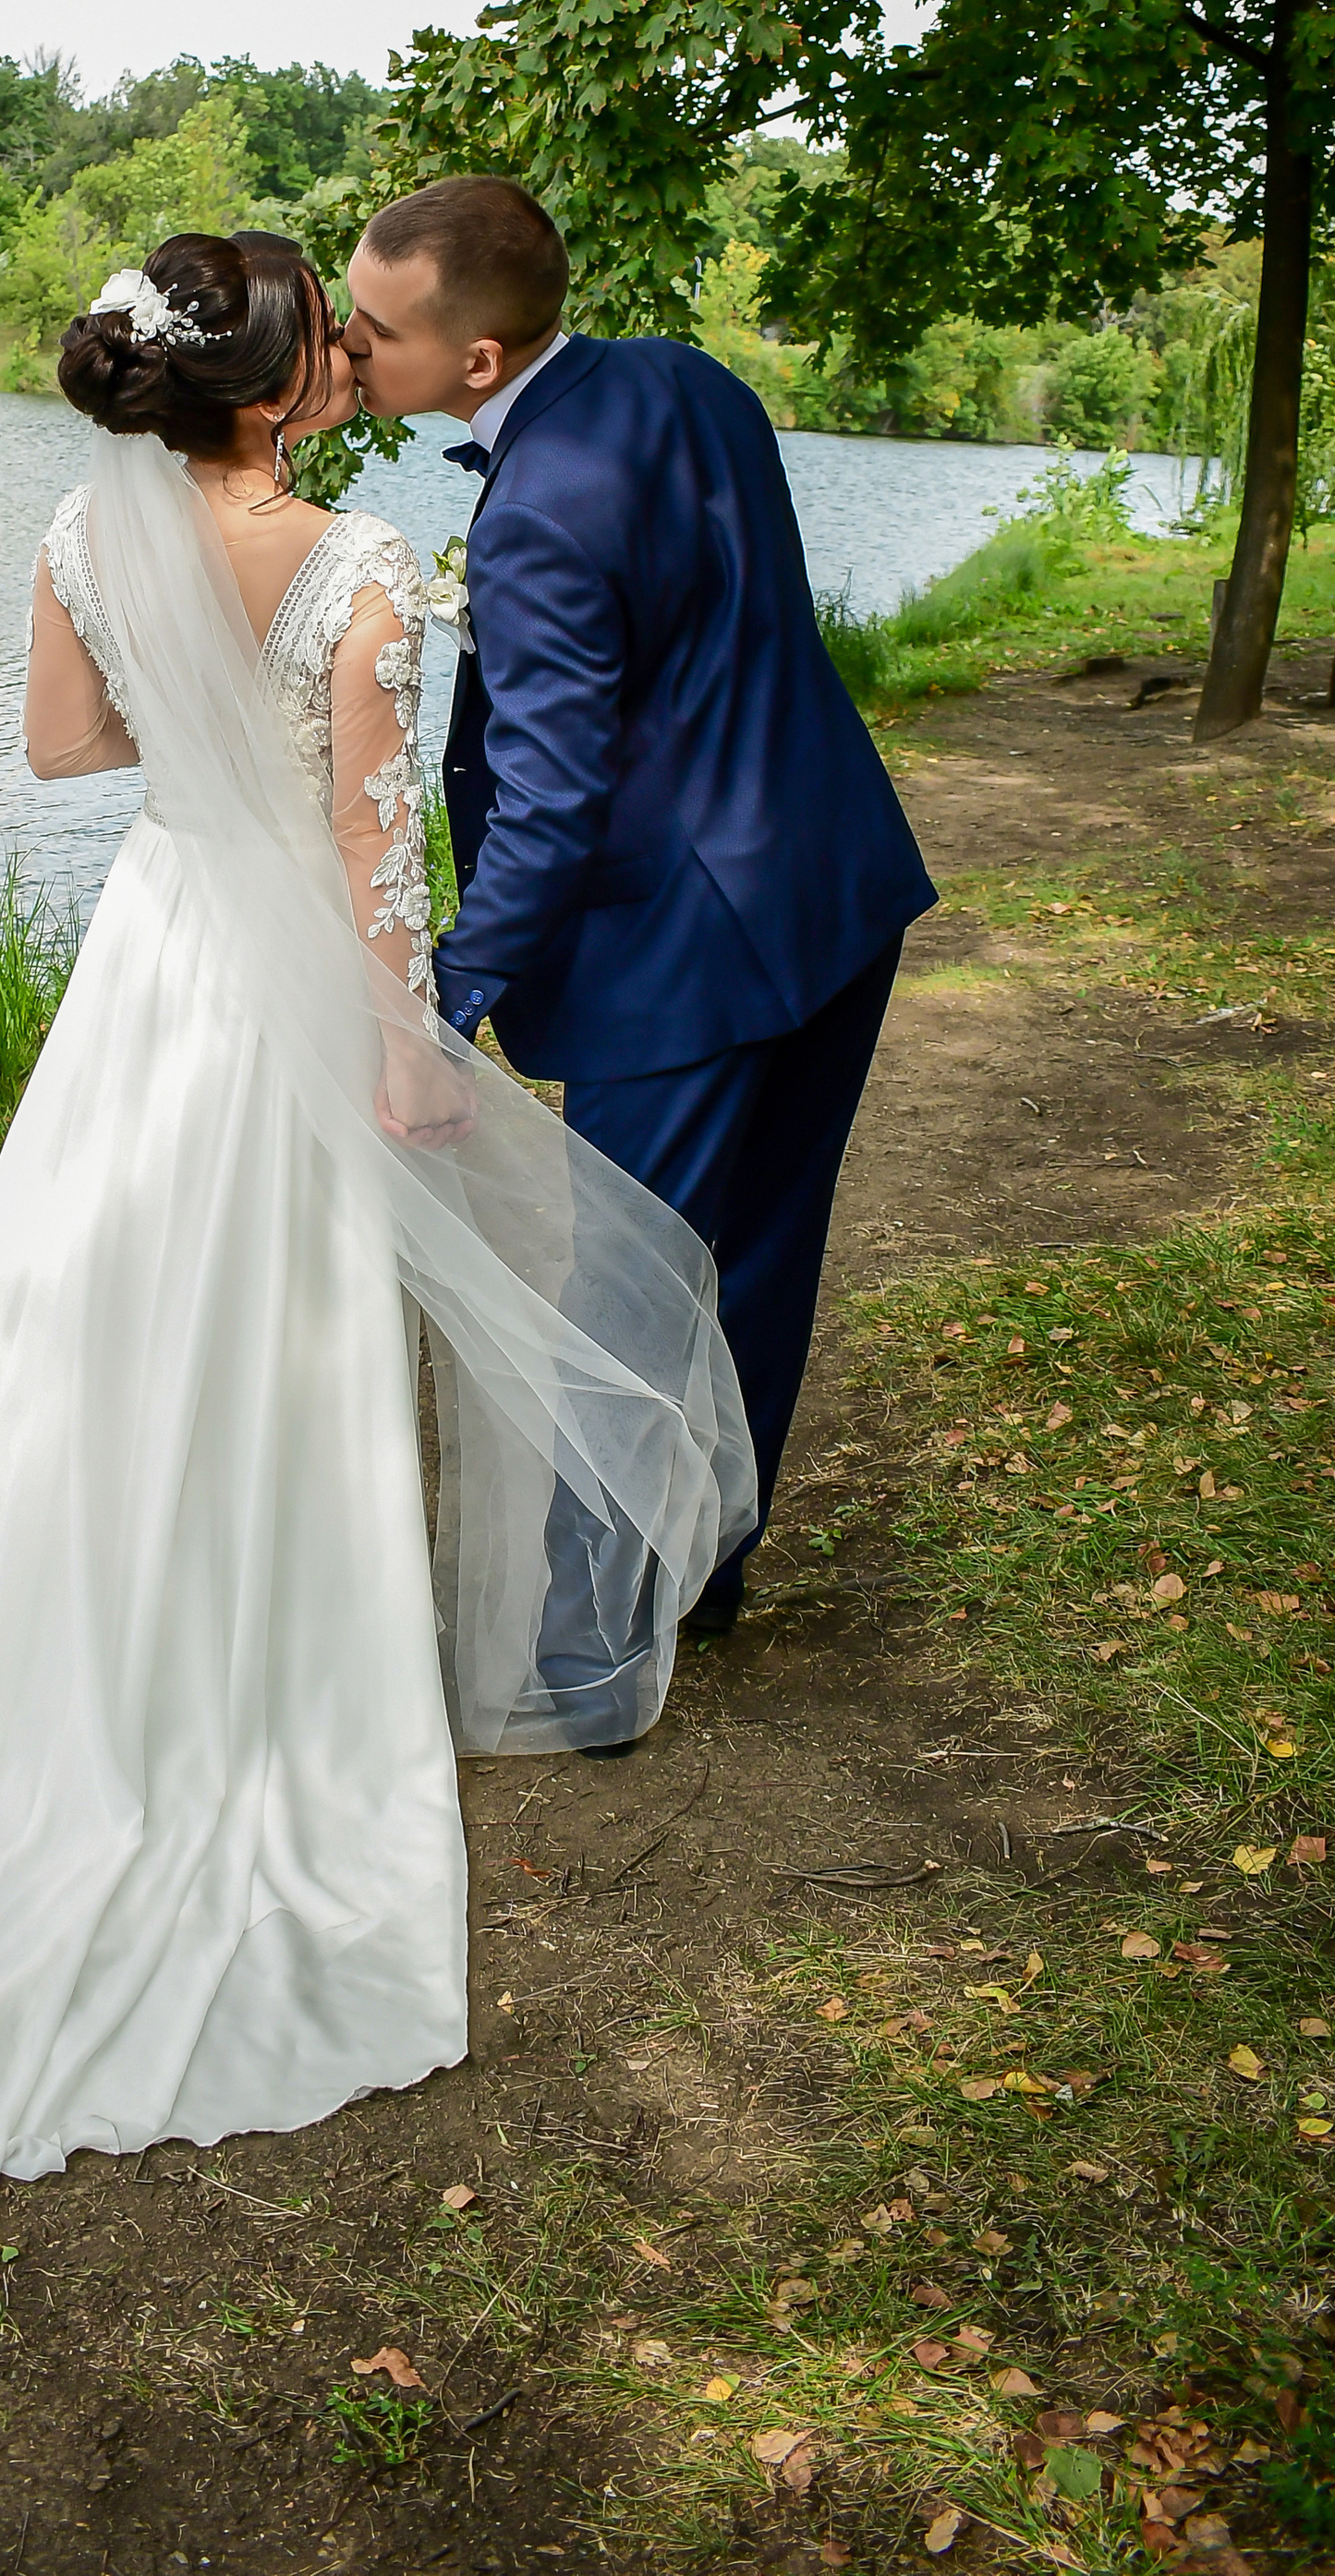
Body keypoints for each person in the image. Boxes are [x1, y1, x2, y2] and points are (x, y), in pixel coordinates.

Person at [0, 230, 754, 2250]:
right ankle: (255, 1695)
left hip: (150, 961)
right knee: (270, 1322)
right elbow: (371, 840)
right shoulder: (369, 571)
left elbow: (65, 752)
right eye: (329, 331)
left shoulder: (88, 528)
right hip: (286, 975)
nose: (350, 348)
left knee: (81, 1312)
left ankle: (58, 1674)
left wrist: (197, 715)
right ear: (275, 383)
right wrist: (405, 1045)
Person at [343, 177, 934, 1670]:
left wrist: (440, 1000)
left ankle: (594, 1635)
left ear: (476, 362)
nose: (351, 350)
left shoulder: (536, 509)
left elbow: (547, 805)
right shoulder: (686, 375)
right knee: (764, 1257)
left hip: (681, 948)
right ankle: (703, 1578)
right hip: (833, 881)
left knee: (622, 1293)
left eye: (375, 329)